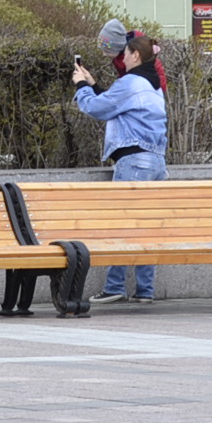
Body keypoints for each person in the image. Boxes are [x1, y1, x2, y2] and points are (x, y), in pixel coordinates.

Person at [71, 30, 167, 304]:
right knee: (145, 228)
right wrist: (94, 83)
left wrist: (81, 86)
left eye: (125, 54)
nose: (122, 59)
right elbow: (119, 105)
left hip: (134, 162)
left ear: (135, 55)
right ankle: (144, 291)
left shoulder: (132, 81)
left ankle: (114, 287)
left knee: (123, 225)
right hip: (156, 162)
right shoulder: (153, 84)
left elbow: (96, 108)